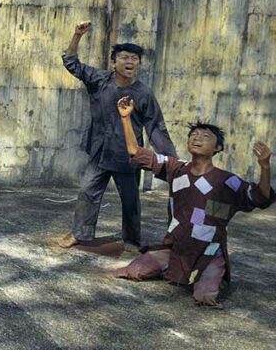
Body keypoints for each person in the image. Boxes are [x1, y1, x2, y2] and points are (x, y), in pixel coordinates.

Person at [112, 95, 272, 306]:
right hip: (175, 248)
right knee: (131, 271)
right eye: (193, 135)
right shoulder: (176, 168)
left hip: (209, 252)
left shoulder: (227, 181)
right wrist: (125, 118)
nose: (197, 138)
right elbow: (136, 152)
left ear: (218, 148)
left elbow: (260, 198)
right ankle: (171, 267)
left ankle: (209, 273)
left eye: (205, 136)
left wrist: (265, 167)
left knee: (204, 297)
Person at [57, 20, 177, 251]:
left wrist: (171, 161)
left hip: (128, 157)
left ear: (138, 65)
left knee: (131, 201)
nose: (130, 61)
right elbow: (71, 63)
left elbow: (156, 127)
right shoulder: (99, 81)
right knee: (87, 192)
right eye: (124, 57)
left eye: (134, 59)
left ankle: (132, 239)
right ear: (113, 63)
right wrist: (77, 35)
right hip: (100, 152)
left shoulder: (143, 94)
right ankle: (80, 234)